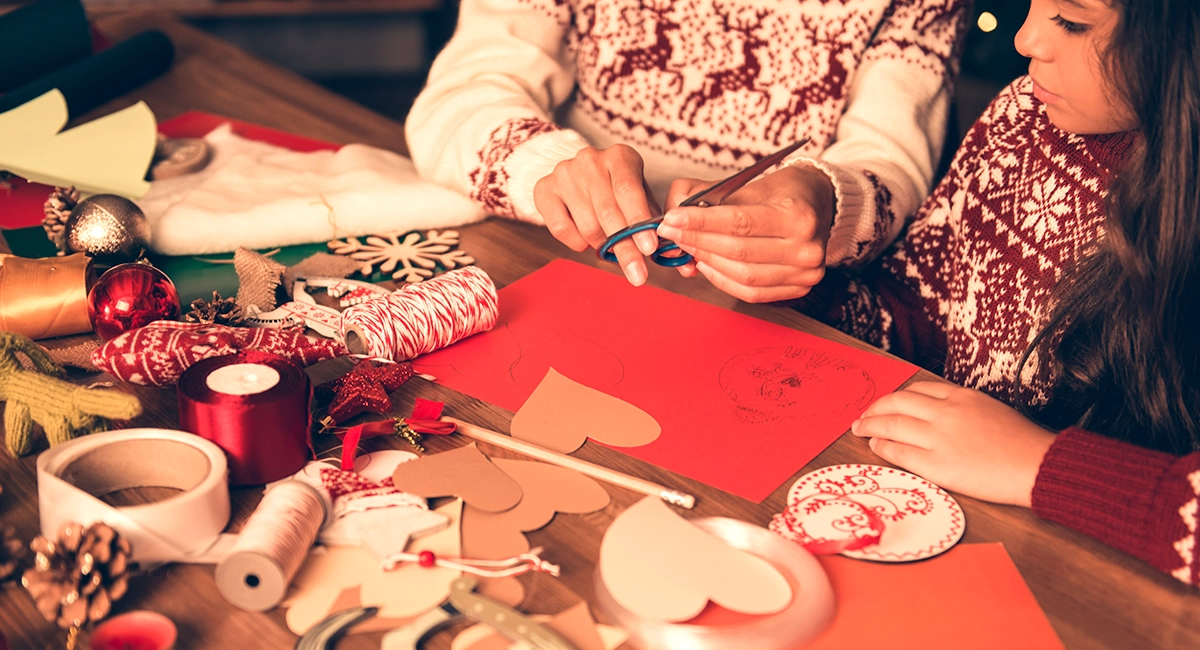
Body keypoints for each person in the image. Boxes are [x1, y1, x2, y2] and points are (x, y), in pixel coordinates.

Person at [665, 0, 1200, 585]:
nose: (1024, 40)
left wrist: (1039, 465)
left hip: (1099, 588)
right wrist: (791, 274)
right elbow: (913, 320)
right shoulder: (1027, 115)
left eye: (1073, 22)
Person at [405, 0, 969, 292]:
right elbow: (459, 97)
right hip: (564, 266)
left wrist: (827, 202)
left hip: (781, 312)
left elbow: (892, 166)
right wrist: (550, 171)